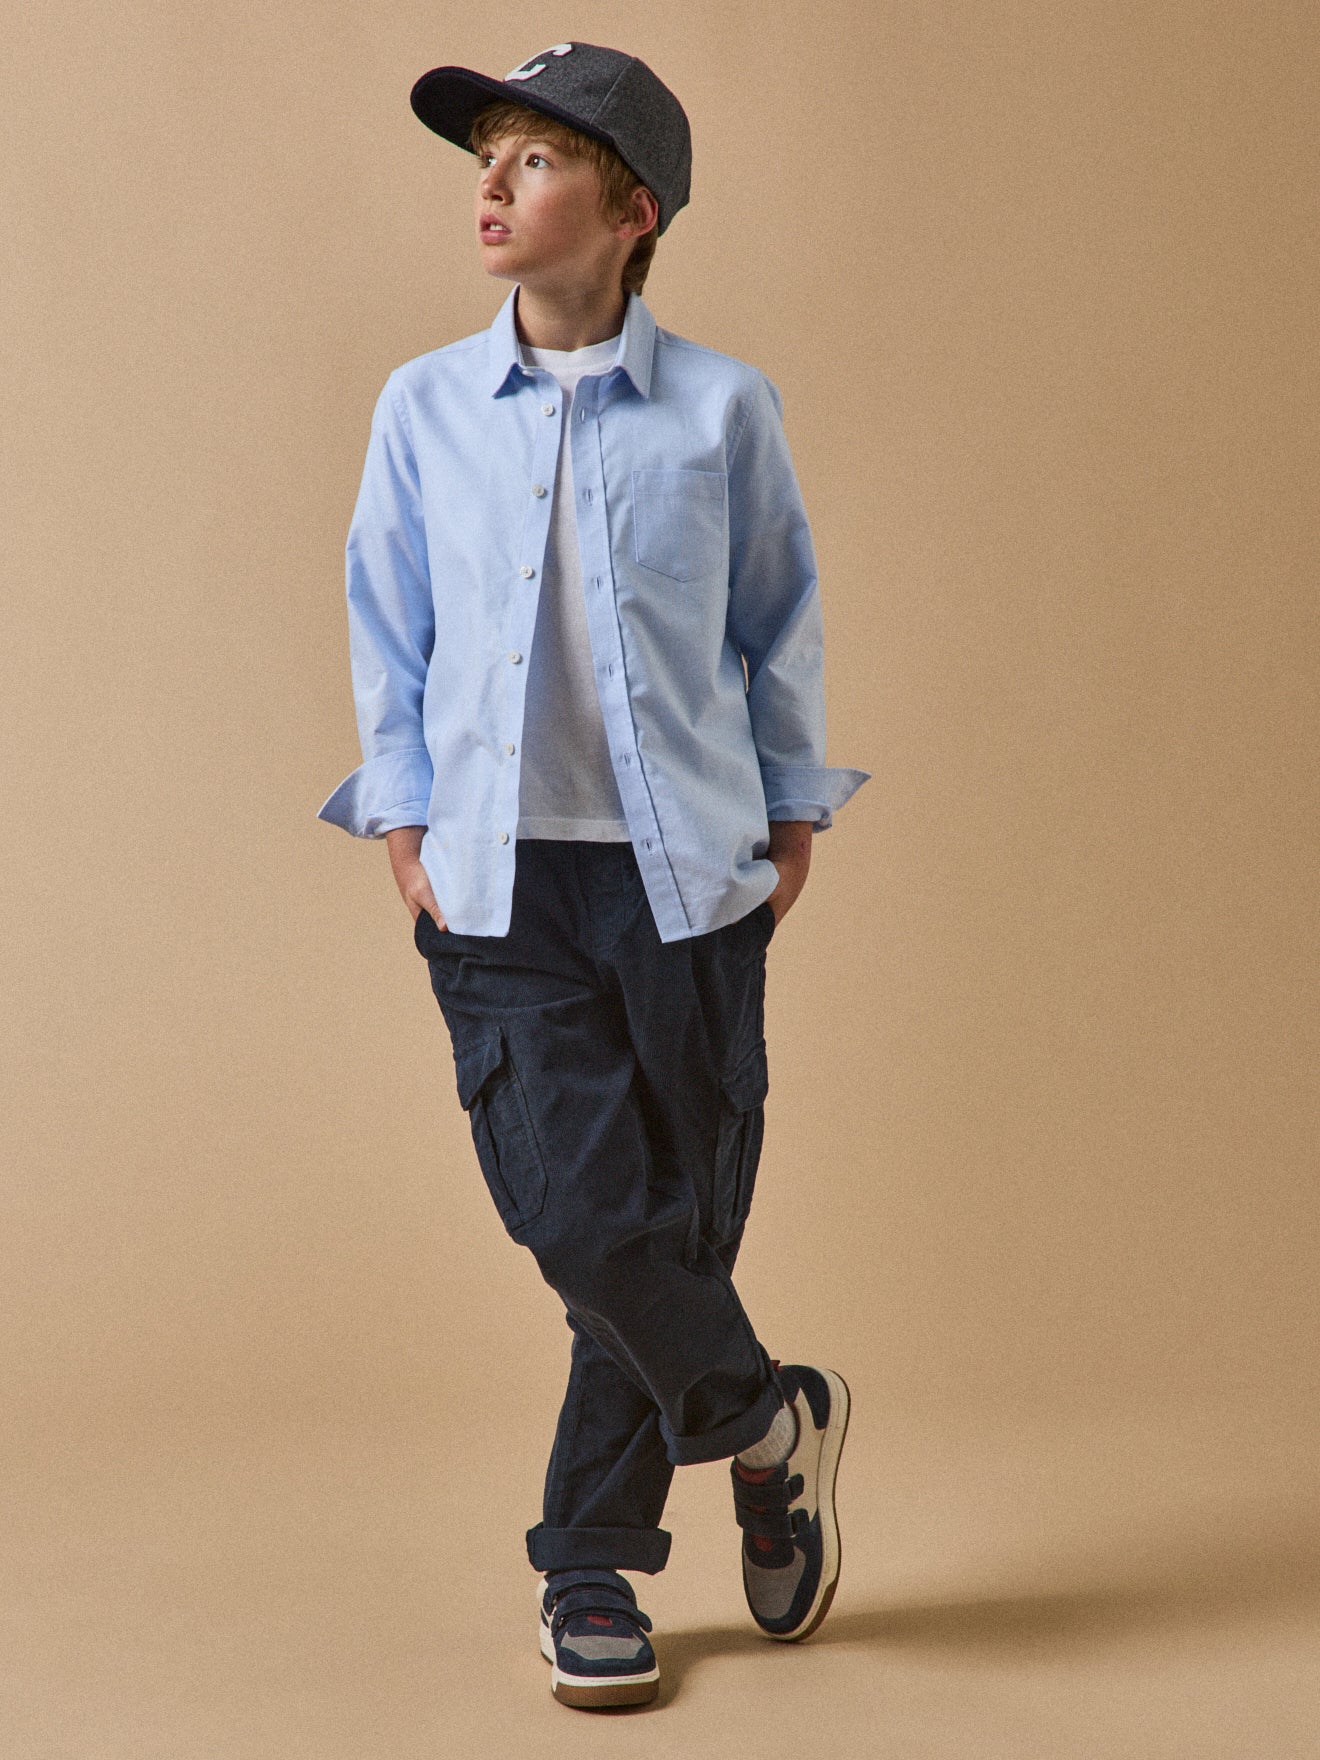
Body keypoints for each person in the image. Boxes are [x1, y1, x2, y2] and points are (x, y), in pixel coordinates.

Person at [317, 40, 870, 1711]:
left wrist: (791, 811)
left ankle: (589, 1565)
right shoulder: (423, 407)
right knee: (580, 1213)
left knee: (669, 1221)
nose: (492, 183)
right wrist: (403, 820)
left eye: (536, 158)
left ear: (634, 212)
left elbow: (778, 617)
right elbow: (387, 624)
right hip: (495, 884)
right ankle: (769, 1421)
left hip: (686, 879)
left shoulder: (723, 408)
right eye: (486, 154)